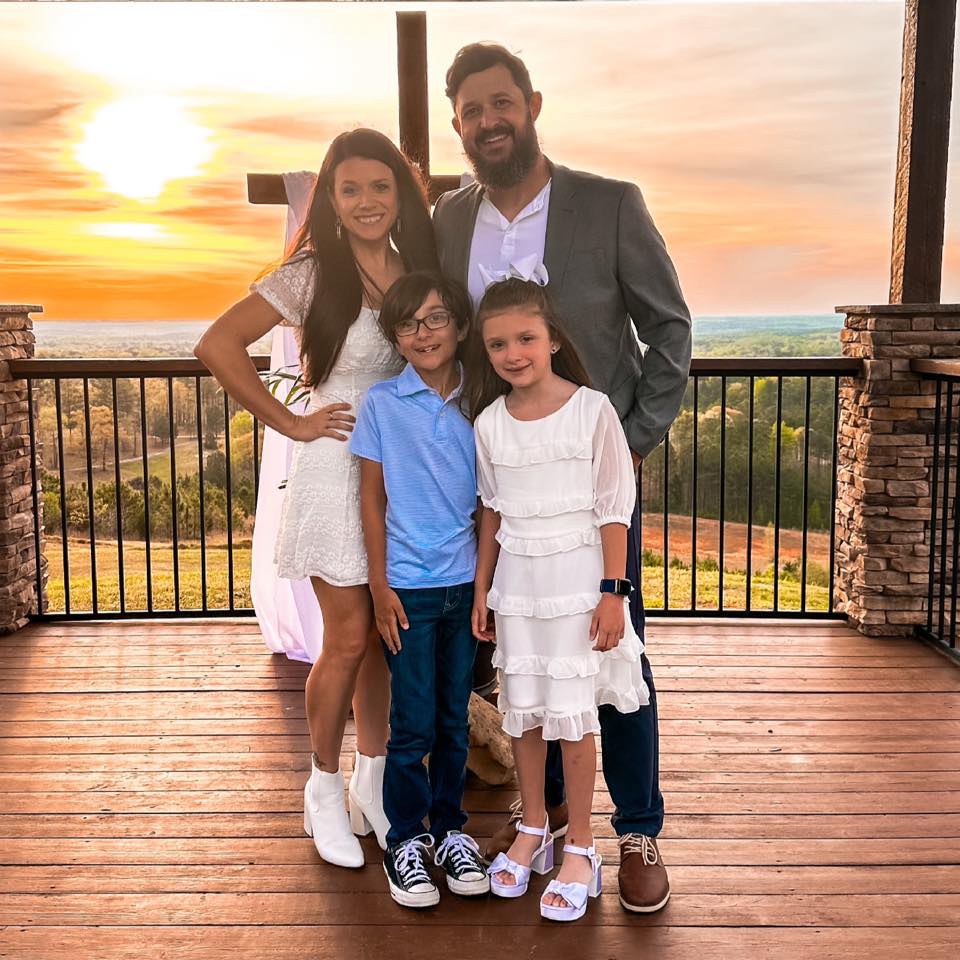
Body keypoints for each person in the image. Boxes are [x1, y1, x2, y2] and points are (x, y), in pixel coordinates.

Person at [434, 43, 692, 913]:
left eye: (501, 103)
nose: (488, 121)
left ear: (533, 104)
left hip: (590, 492)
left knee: (613, 654)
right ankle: (543, 824)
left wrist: (632, 442)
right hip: (504, 483)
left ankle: (637, 831)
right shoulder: (447, 220)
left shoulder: (610, 204)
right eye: (472, 111)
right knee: (530, 664)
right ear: (459, 125)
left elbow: (670, 330)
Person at [194, 129, 438, 868]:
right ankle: (323, 789)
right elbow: (217, 344)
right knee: (348, 635)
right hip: (336, 468)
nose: (366, 201)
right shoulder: (311, 273)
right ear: (330, 199)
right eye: (349, 188)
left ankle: (374, 784)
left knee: (387, 637)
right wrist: (293, 422)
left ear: (401, 194)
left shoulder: (418, 270)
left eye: (380, 186)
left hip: (403, 473)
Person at [470, 277, 648, 922]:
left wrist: (613, 592)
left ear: (551, 339)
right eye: (497, 344)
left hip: (578, 586)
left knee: (573, 717)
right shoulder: (489, 422)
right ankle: (534, 828)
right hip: (518, 586)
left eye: (525, 338)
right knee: (523, 713)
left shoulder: (591, 410)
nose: (513, 354)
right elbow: (491, 511)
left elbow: (614, 509)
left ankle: (582, 846)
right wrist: (484, 590)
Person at [350, 269, 488, 909]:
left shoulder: (481, 398)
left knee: (453, 719)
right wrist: (379, 585)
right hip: (407, 589)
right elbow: (371, 498)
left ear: (460, 325)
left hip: (465, 585)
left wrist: (484, 586)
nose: (423, 333)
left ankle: (450, 831)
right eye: (408, 324)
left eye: (436, 318)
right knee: (410, 725)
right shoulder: (382, 403)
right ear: (396, 338)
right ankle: (405, 839)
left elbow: (490, 500)